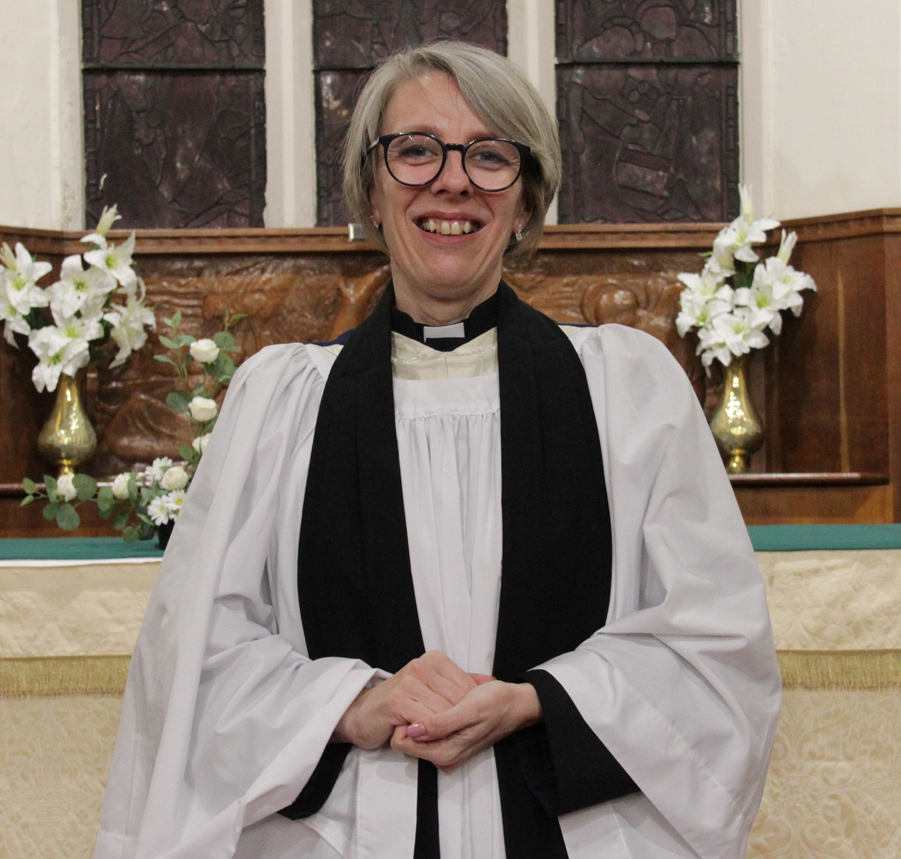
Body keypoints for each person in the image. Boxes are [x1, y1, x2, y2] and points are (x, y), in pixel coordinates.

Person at [93, 41, 781, 859]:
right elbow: (195, 663)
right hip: (345, 830)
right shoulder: (280, 402)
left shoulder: (627, 391)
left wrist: (535, 701)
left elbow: (714, 648)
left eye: (489, 155)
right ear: (371, 193)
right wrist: (351, 703)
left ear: (525, 204)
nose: (450, 181)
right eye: (414, 150)